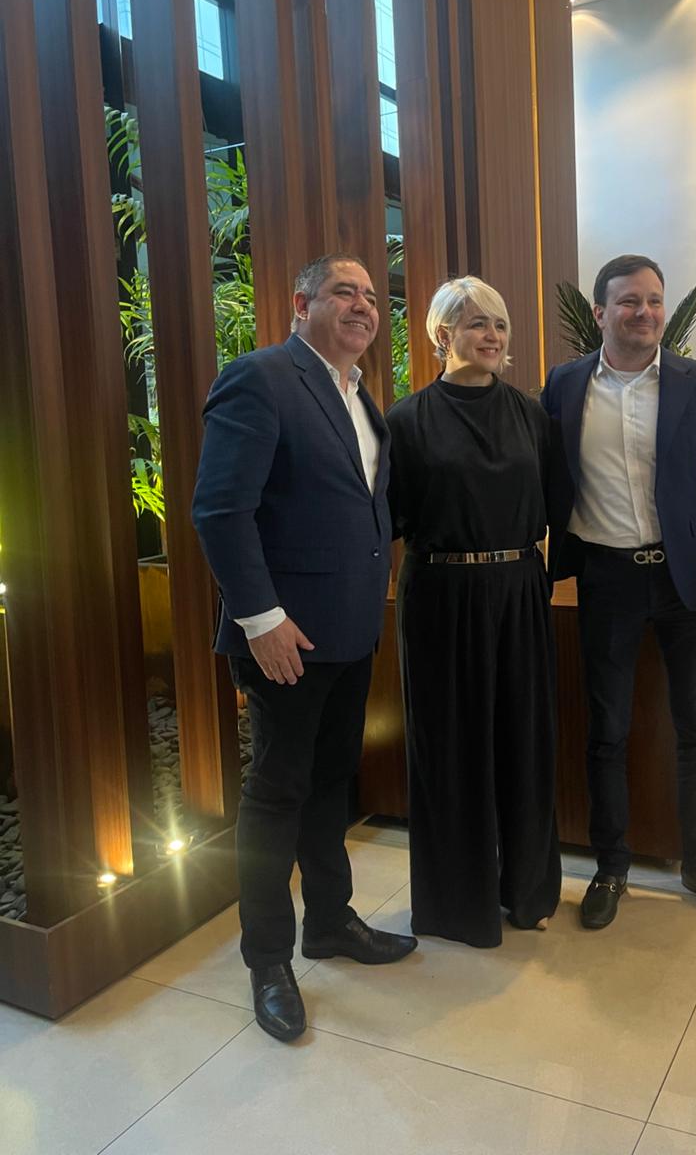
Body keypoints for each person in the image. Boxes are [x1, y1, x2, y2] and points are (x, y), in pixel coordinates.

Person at [192, 253, 416, 1043]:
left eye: (372, 297)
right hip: (284, 636)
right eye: (344, 292)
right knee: (276, 793)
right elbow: (221, 510)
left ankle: (329, 920)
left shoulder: (360, 396)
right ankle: (267, 961)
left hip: (349, 630)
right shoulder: (261, 379)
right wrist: (261, 618)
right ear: (300, 303)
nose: (363, 305)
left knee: (330, 783)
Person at [541, 254, 696, 931]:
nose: (644, 313)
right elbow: (542, 476)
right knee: (607, 731)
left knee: (695, 728)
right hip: (606, 579)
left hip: (685, 581)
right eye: (628, 302)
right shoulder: (563, 386)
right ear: (599, 313)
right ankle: (611, 866)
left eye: (653, 300)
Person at [387, 276, 562, 948]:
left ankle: (527, 890)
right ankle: (457, 907)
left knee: (524, 740)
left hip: (518, 587)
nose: (492, 336)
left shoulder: (531, 416)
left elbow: (557, 501)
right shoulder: (406, 420)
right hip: (439, 594)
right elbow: (390, 515)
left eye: (500, 324)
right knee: (449, 749)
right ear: (443, 334)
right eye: (476, 323)